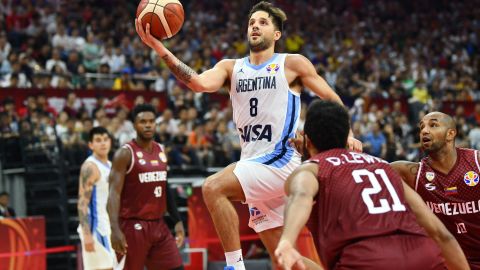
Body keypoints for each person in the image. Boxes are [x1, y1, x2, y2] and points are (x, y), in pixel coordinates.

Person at [136, 2, 362, 269]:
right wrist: (159, 47)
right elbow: (197, 83)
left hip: (281, 162)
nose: (255, 26)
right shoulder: (231, 68)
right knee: (285, 260)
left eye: (263, 22)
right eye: (252, 22)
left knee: (212, 187)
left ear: (277, 34)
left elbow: (332, 100)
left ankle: (234, 266)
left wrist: (348, 134)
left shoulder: (291, 63)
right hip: (254, 164)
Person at [275, 100, 469, 270]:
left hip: (366, 259)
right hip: (423, 256)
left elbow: (300, 194)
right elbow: (441, 234)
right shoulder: (384, 166)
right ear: (347, 138)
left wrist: (286, 241)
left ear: (308, 141)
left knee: (296, 262)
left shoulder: (312, 169)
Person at [391, 111, 480, 270]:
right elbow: (371, 168)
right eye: (422, 127)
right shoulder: (412, 173)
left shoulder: (476, 162)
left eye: (433, 125)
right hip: (447, 262)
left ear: (450, 134)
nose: (424, 131)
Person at [107, 104, 184, 270]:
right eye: (143, 121)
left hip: (159, 225)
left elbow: (165, 187)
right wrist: (114, 229)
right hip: (132, 227)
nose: (148, 125)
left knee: (176, 267)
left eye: (151, 121)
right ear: (134, 125)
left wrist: (177, 220)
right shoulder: (125, 153)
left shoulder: (161, 150)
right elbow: (113, 194)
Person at [77, 127, 115, 270]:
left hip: (109, 226)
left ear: (110, 142)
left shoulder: (111, 166)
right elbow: (82, 203)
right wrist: (87, 235)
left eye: (105, 139)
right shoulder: (90, 167)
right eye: (98, 140)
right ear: (91, 145)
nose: (103, 143)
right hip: (96, 229)